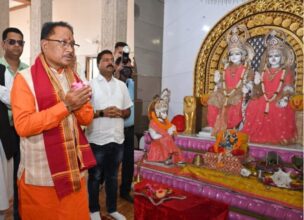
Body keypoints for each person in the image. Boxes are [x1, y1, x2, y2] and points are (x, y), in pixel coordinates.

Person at [11, 21, 96, 220]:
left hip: (73, 173)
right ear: (44, 44)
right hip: (41, 177)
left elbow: (87, 118)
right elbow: (23, 126)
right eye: (63, 43)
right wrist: (66, 106)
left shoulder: (74, 77)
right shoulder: (25, 79)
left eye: (72, 44)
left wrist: (80, 102)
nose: (69, 49)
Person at [86, 50, 132, 220]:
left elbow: (128, 111)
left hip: (117, 138)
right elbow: (84, 114)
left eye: (111, 60)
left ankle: (112, 209)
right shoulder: (89, 85)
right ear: (98, 64)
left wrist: (121, 112)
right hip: (97, 139)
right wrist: (102, 113)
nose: (109, 62)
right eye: (105, 60)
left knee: (113, 176)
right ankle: (93, 210)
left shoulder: (121, 85)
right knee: (95, 176)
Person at [242, 30, 297, 144]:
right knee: (253, 105)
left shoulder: (285, 71)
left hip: (278, 98)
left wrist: (285, 98)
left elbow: (288, 86)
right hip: (264, 98)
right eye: (270, 56)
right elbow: (259, 89)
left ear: (282, 57)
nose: (273, 58)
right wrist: (253, 85)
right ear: (266, 58)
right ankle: (253, 136)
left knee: (279, 109)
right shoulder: (263, 71)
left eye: (276, 56)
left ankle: (278, 138)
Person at [0, 27, 28, 220]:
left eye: (20, 42)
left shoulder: (29, 71)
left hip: (25, 131)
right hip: (3, 131)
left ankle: (19, 215)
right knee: (3, 182)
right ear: (3, 44)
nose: (17, 45)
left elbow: (31, 100)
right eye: (12, 41)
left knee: (21, 178)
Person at [207, 25, 254, 135]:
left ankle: (231, 126)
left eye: (237, 54)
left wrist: (248, 87)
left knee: (237, 101)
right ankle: (213, 124)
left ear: (242, 55)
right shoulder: (226, 68)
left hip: (238, 92)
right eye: (232, 54)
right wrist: (217, 81)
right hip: (224, 92)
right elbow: (221, 83)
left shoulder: (247, 69)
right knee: (213, 99)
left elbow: (250, 81)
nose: (234, 56)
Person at [115, 56, 135, 203]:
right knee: (113, 162)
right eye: (124, 67)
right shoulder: (114, 84)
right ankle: (107, 186)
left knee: (128, 163)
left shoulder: (133, 83)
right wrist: (118, 76)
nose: (126, 70)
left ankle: (125, 191)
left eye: (129, 67)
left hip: (130, 129)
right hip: (115, 128)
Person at [147, 89, 184, 164]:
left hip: (166, 143)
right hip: (158, 144)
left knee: (169, 141)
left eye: (165, 112)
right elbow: (154, 136)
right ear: (155, 111)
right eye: (163, 112)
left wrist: (172, 130)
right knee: (166, 140)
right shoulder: (153, 122)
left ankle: (172, 157)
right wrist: (166, 135)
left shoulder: (165, 122)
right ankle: (168, 156)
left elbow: (170, 134)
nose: (165, 114)